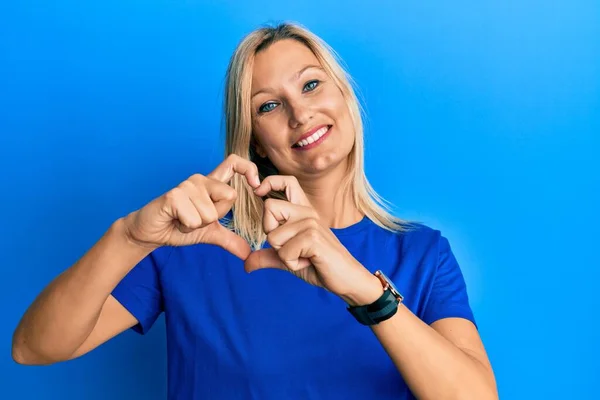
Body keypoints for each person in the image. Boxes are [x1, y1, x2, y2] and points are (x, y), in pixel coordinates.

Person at [12, 22, 498, 399]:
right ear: (254, 143)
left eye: (311, 85)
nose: (300, 113)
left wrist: (361, 288)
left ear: (344, 97)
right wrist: (129, 237)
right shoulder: (194, 244)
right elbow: (34, 347)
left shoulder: (422, 254)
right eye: (268, 106)